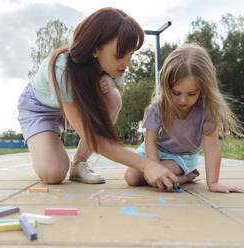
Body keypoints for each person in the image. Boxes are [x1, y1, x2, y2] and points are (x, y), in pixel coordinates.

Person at [18, 7, 179, 190]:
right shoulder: (63, 68)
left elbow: (118, 93)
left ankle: (79, 164)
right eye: (120, 55)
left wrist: (110, 84)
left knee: (113, 96)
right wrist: (147, 165)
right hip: (40, 109)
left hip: (74, 106)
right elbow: (95, 138)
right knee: (53, 173)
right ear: (95, 49)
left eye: (131, 54)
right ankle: (42, 146)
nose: (128, 63)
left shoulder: (116, 65)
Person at [125, 43, 244, 193]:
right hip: (154, 149)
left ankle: (186, 176)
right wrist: (154, 168)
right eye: (176, 93)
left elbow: (212, 147)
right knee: (131, 177)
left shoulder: (206, 111)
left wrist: (213, 183)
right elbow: (150, 141)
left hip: (181, 156)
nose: (183, 100)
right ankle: (184, 177)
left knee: (159, 181)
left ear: (202, 89)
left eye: (191, 94)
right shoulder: (159, 107)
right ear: (166, 85)